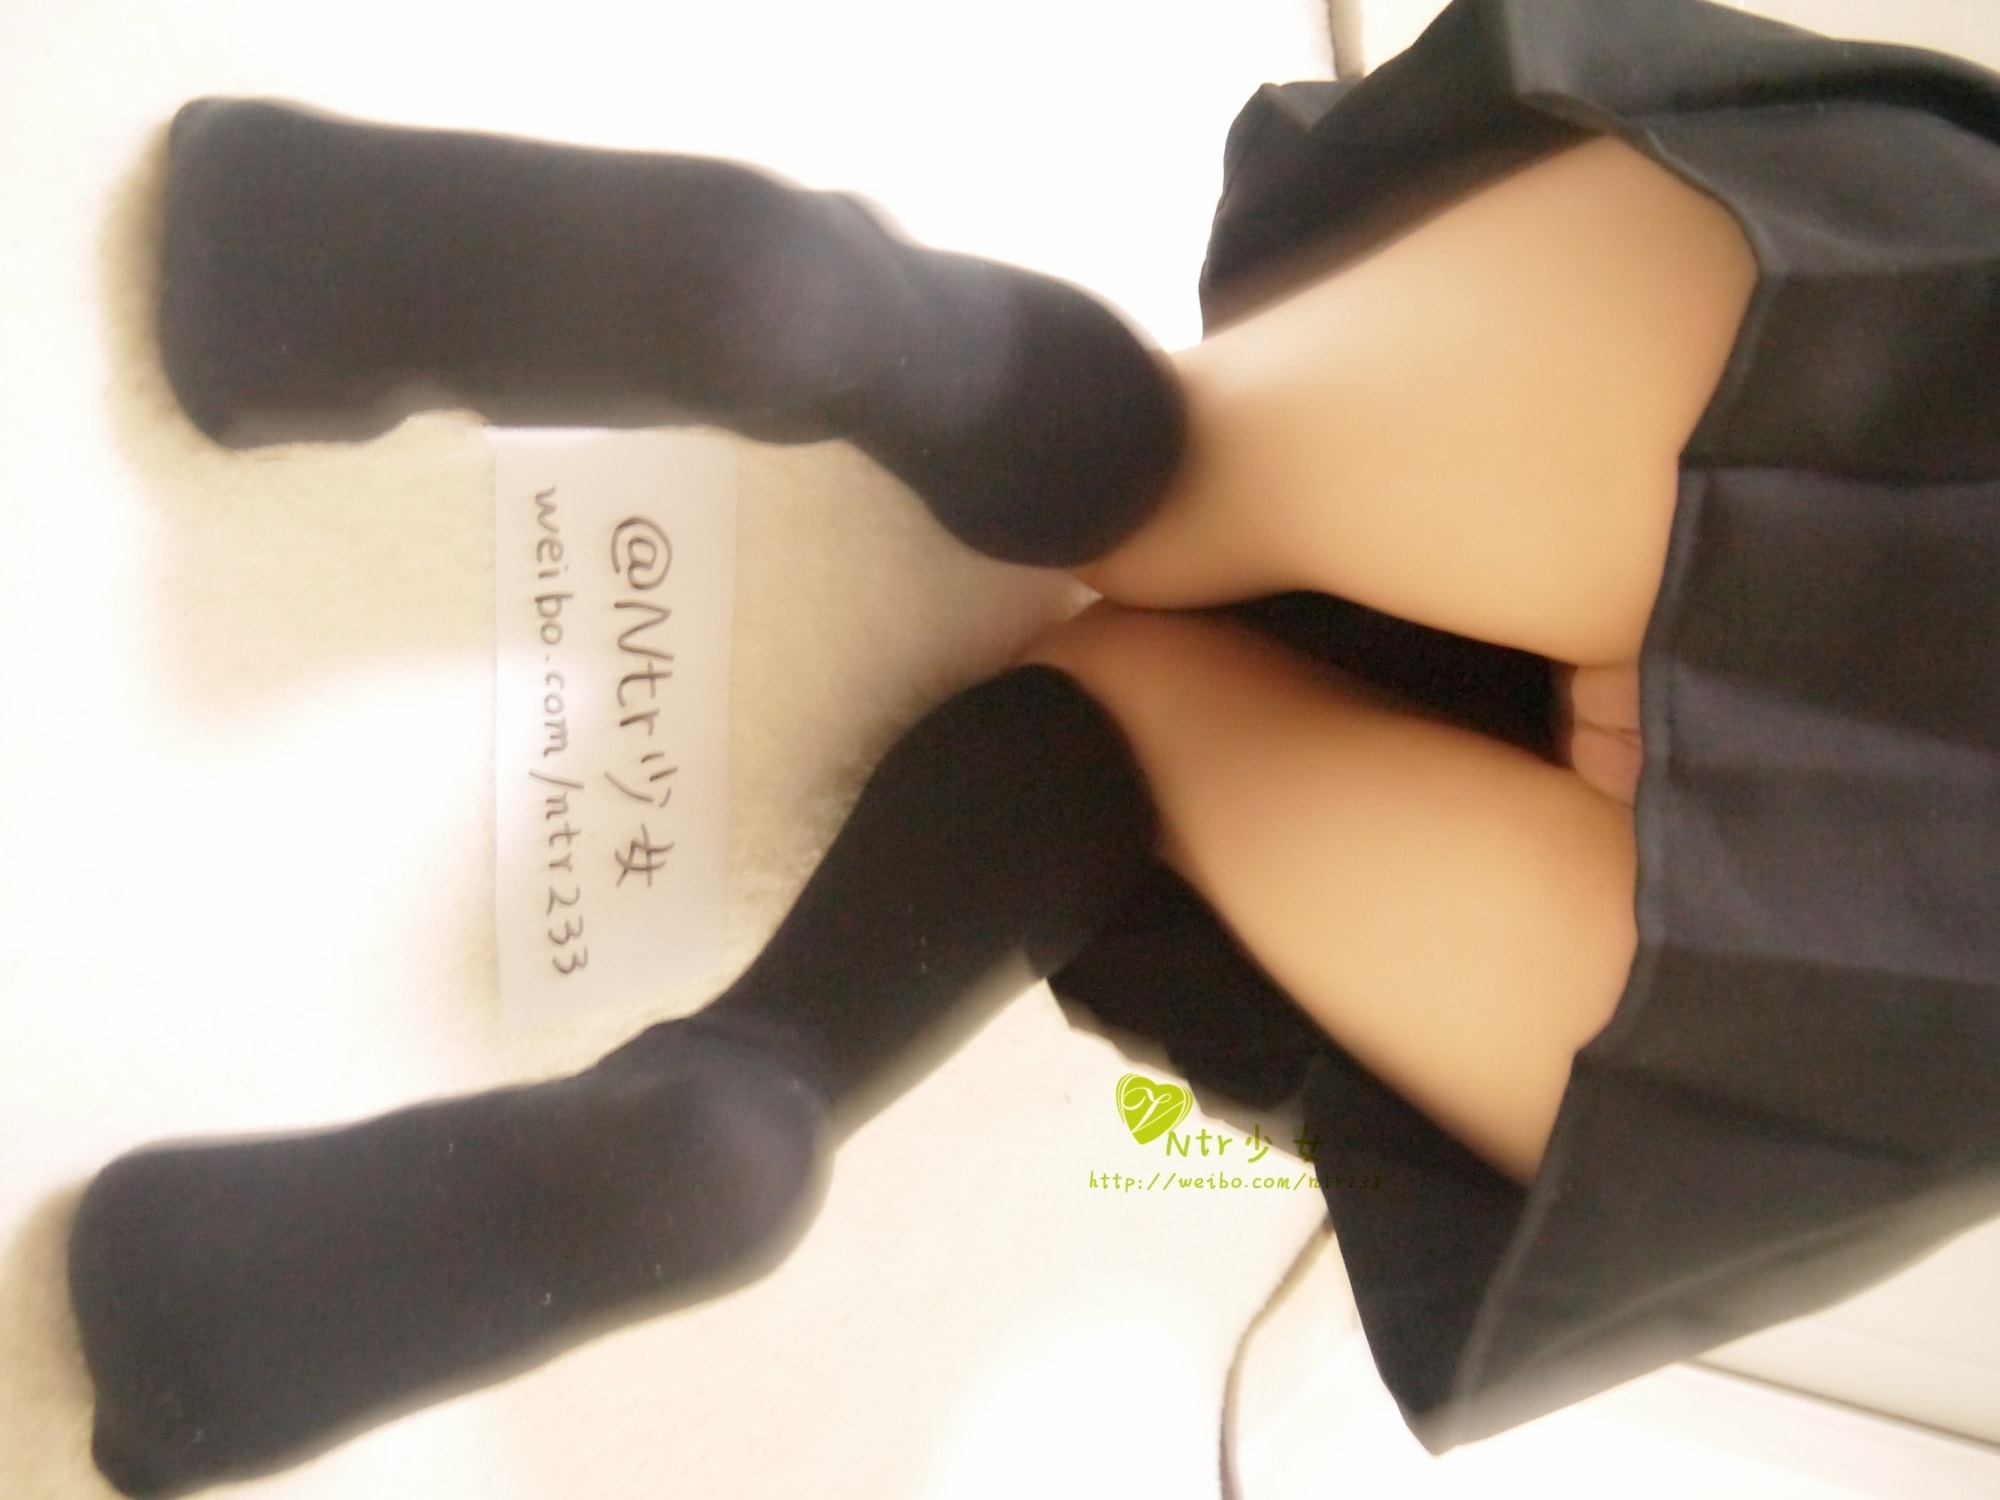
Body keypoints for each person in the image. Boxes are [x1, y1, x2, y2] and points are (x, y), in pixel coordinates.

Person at [67, 0, 2000, 1494]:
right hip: (1887, 980)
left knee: (1180, 471)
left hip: (1884, 391)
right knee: (1145, 747)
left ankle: (822, 312)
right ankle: (748, 1103)